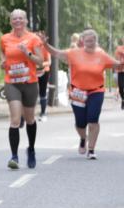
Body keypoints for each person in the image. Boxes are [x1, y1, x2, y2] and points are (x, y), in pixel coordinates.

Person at [45, 29, 122, 159]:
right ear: (82, 41)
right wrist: (45, 44)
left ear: (96, 41)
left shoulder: (101, 55)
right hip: (78, 92)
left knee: (93, 120)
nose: (90, 43)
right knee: (80, 123)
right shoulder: (74, 53)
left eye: (92, 41)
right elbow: (56, 53)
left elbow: (117, 65)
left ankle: (91, 149)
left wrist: (120, 63)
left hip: (96, 91)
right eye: (87, 41)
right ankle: (83, 138)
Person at [0, 9, 45, 170]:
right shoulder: (5, 38)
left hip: (29, 82)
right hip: (12, 82)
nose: (17, 21)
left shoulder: (33, 38)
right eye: (14, 19)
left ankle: (31, 149)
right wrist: (3, 62)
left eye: (20, 18)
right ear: (11, 22)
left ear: (26, 21)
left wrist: (28, 53)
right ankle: (14, 157)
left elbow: (40, 62)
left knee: (30, 119)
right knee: (15, 120)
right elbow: (3, 54)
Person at [35, 30, 52, 121]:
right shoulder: (31, 47)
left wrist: (40, 65)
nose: (37, 38)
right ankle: (27, 114)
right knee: (30, 92)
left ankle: (43, 113)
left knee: (42, 92)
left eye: (39, 36)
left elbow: (49, 62)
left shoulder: (45, 47)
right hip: (33, 72)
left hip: (44, 71)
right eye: (36, 36)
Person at [115, 37, 124, 109]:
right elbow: (117, 58)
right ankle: (123, 99)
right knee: (121, 87)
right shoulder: (119, 48)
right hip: (120, 70)